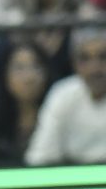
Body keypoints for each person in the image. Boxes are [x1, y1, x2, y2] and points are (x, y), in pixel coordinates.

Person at [24, 25, 106, 165]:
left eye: (103, 57)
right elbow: (41, 156)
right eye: (84, 58)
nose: (94, 68)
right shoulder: (62, 94)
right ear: (74, 63)